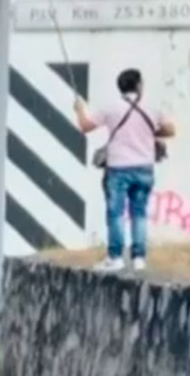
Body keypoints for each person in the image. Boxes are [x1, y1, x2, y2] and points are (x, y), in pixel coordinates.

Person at [75, 68, 176, 272]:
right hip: (145, 168)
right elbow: (171, 130)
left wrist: (79, 109)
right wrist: (147, 132)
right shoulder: (152, 108)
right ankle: (139, 258)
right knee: (139, 213)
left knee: (116, 213)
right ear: (138, 85)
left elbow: (85, 126)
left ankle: (116, 257)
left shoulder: (110, 108)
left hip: (118, 169)